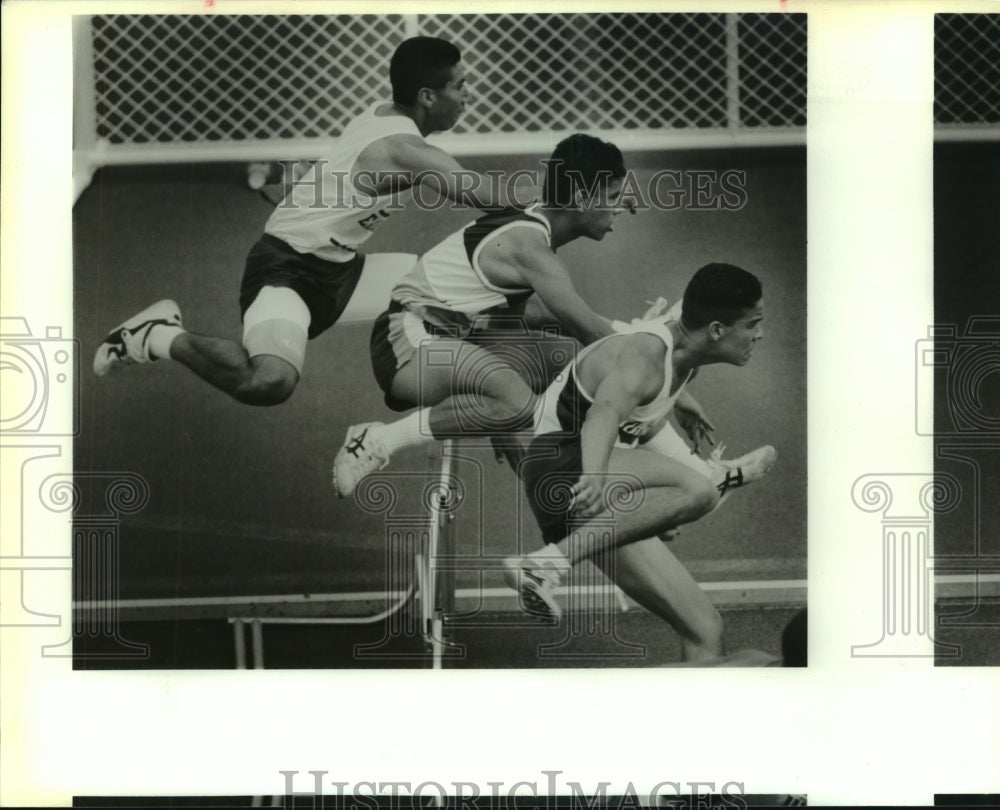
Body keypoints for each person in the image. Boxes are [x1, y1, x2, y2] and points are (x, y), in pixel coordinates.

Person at [93, 37, 532, 405]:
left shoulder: (390, 114)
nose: (468, 96)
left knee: (467, 291)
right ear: (427, 97)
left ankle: (534, 371)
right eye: (461, 86)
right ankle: (158, 335)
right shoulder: (403, 147)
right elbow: (484, 194)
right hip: (288, 272)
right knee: (268, 381)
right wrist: (562, 195)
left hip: (343, 270)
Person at [333, 133, 642, 496]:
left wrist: (500, 421)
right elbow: (591, 330)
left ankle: (687, 468)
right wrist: (662, 363)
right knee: (521, 401)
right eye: (612, 198)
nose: (621, 208)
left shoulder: (534, 231)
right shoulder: (529, 247)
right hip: (407, 340)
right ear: (579, 199)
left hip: (456, 340)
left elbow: (514, 329)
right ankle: (376, 440)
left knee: (580, 365)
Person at [502, 263, 776, 663]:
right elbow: (605, 413)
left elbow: (634, 422)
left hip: (578, 492)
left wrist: (650, 513)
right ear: (716, 329)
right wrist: (595, 479)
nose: (760, 334)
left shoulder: (683, 361)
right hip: (563, 464)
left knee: (704, 629)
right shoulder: (647, 353)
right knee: (698, 488)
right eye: (754, 324)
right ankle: (544, 565)